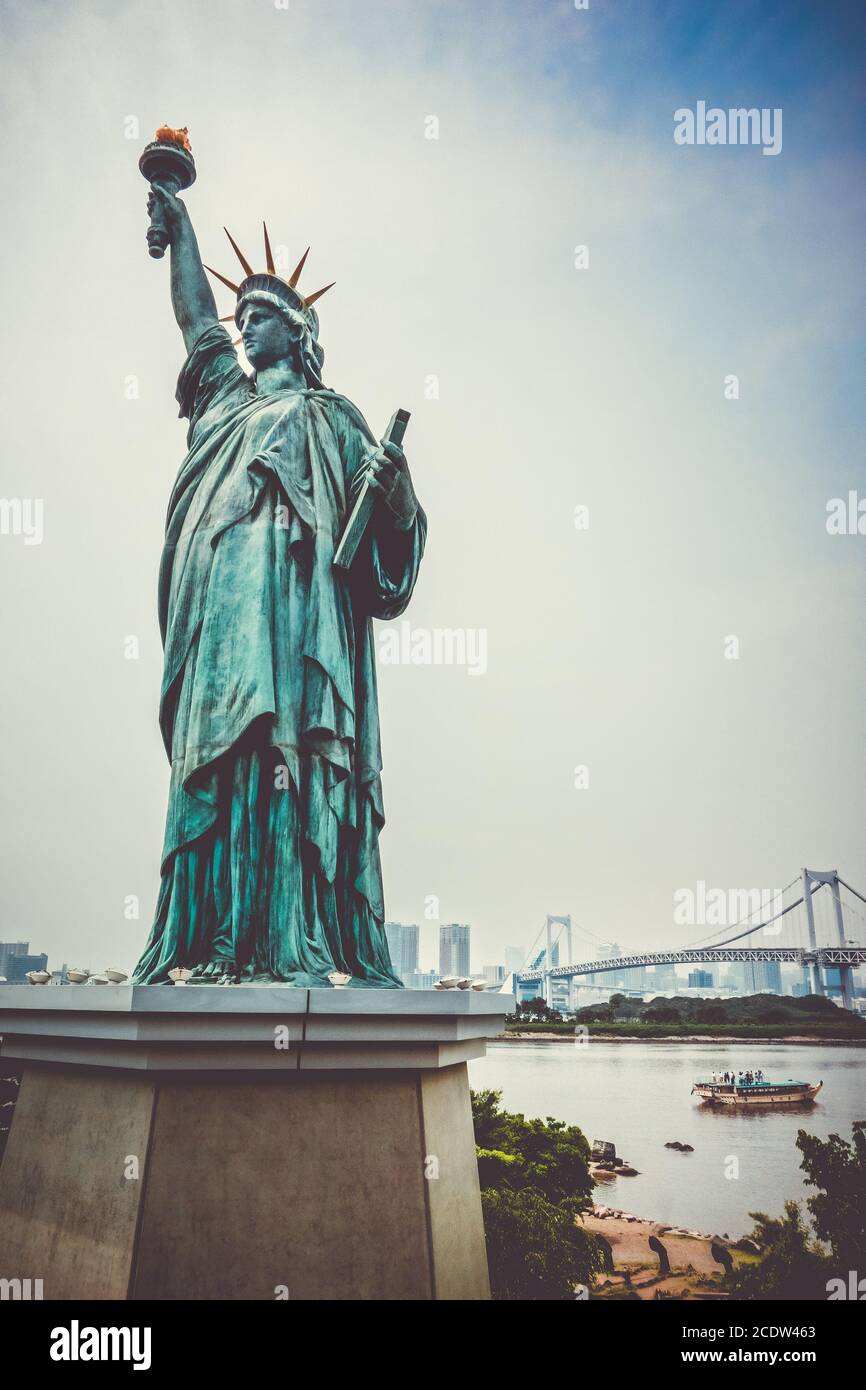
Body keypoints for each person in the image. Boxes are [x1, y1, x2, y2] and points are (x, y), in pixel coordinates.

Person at [132, 186, 426, 986]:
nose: (242, 327)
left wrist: (394, 492)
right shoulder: (225, 397)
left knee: (282, 756)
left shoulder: (332, 417)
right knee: (222, 764)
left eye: (258, 316)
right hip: (220, 615)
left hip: (299, 622)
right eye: (244, 318)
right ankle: (214, 940)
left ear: (297, 331)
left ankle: (285, 937)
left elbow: (388, 546)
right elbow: (195, 320)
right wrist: (182, 225)